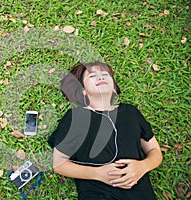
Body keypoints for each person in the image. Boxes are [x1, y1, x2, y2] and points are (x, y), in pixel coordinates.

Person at [48, 61, 163, 200]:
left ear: (113, 86)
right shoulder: (76, 118)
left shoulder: (131, 112)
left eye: (105, 74)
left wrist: (143, 166)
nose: (101, 77)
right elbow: (59, 164)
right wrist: (98, 174)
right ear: (83, 89)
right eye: (92, 76)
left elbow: (155, 151)